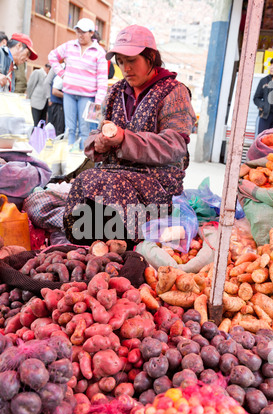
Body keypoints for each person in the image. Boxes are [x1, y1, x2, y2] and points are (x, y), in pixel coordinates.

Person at [63, 24, 196, 248]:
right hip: (112, 175)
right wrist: (100, 143)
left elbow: (175, 145)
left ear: (151, 57)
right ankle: (94, 247)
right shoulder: (115, 92)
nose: (125, 68)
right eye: (121, 61)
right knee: (86, 181)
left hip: (158, 184)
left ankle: (125, 246)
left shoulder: (174, 92)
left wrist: (125, 139)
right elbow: (97, 133)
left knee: (106, 184)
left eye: (132, 60)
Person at [48, 17, 108, 150]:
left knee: (85, 130)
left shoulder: (99, 52)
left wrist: (98, 102)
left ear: (91, 33)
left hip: (88, 97)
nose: (80, 35)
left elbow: (103, 80)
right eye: (78, 31)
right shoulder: (69, 46)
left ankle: (82, 161)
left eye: (84, 32)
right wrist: (62, 73)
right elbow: (52, 56)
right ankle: (68, 160)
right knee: (69, 129)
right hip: (69, 94)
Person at [254, 56, 273, 135]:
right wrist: (262, 105)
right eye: (271, 65)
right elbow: (256, 98)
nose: (271, 67)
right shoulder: (264, 81)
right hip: (265, 116)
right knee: (261, 139)